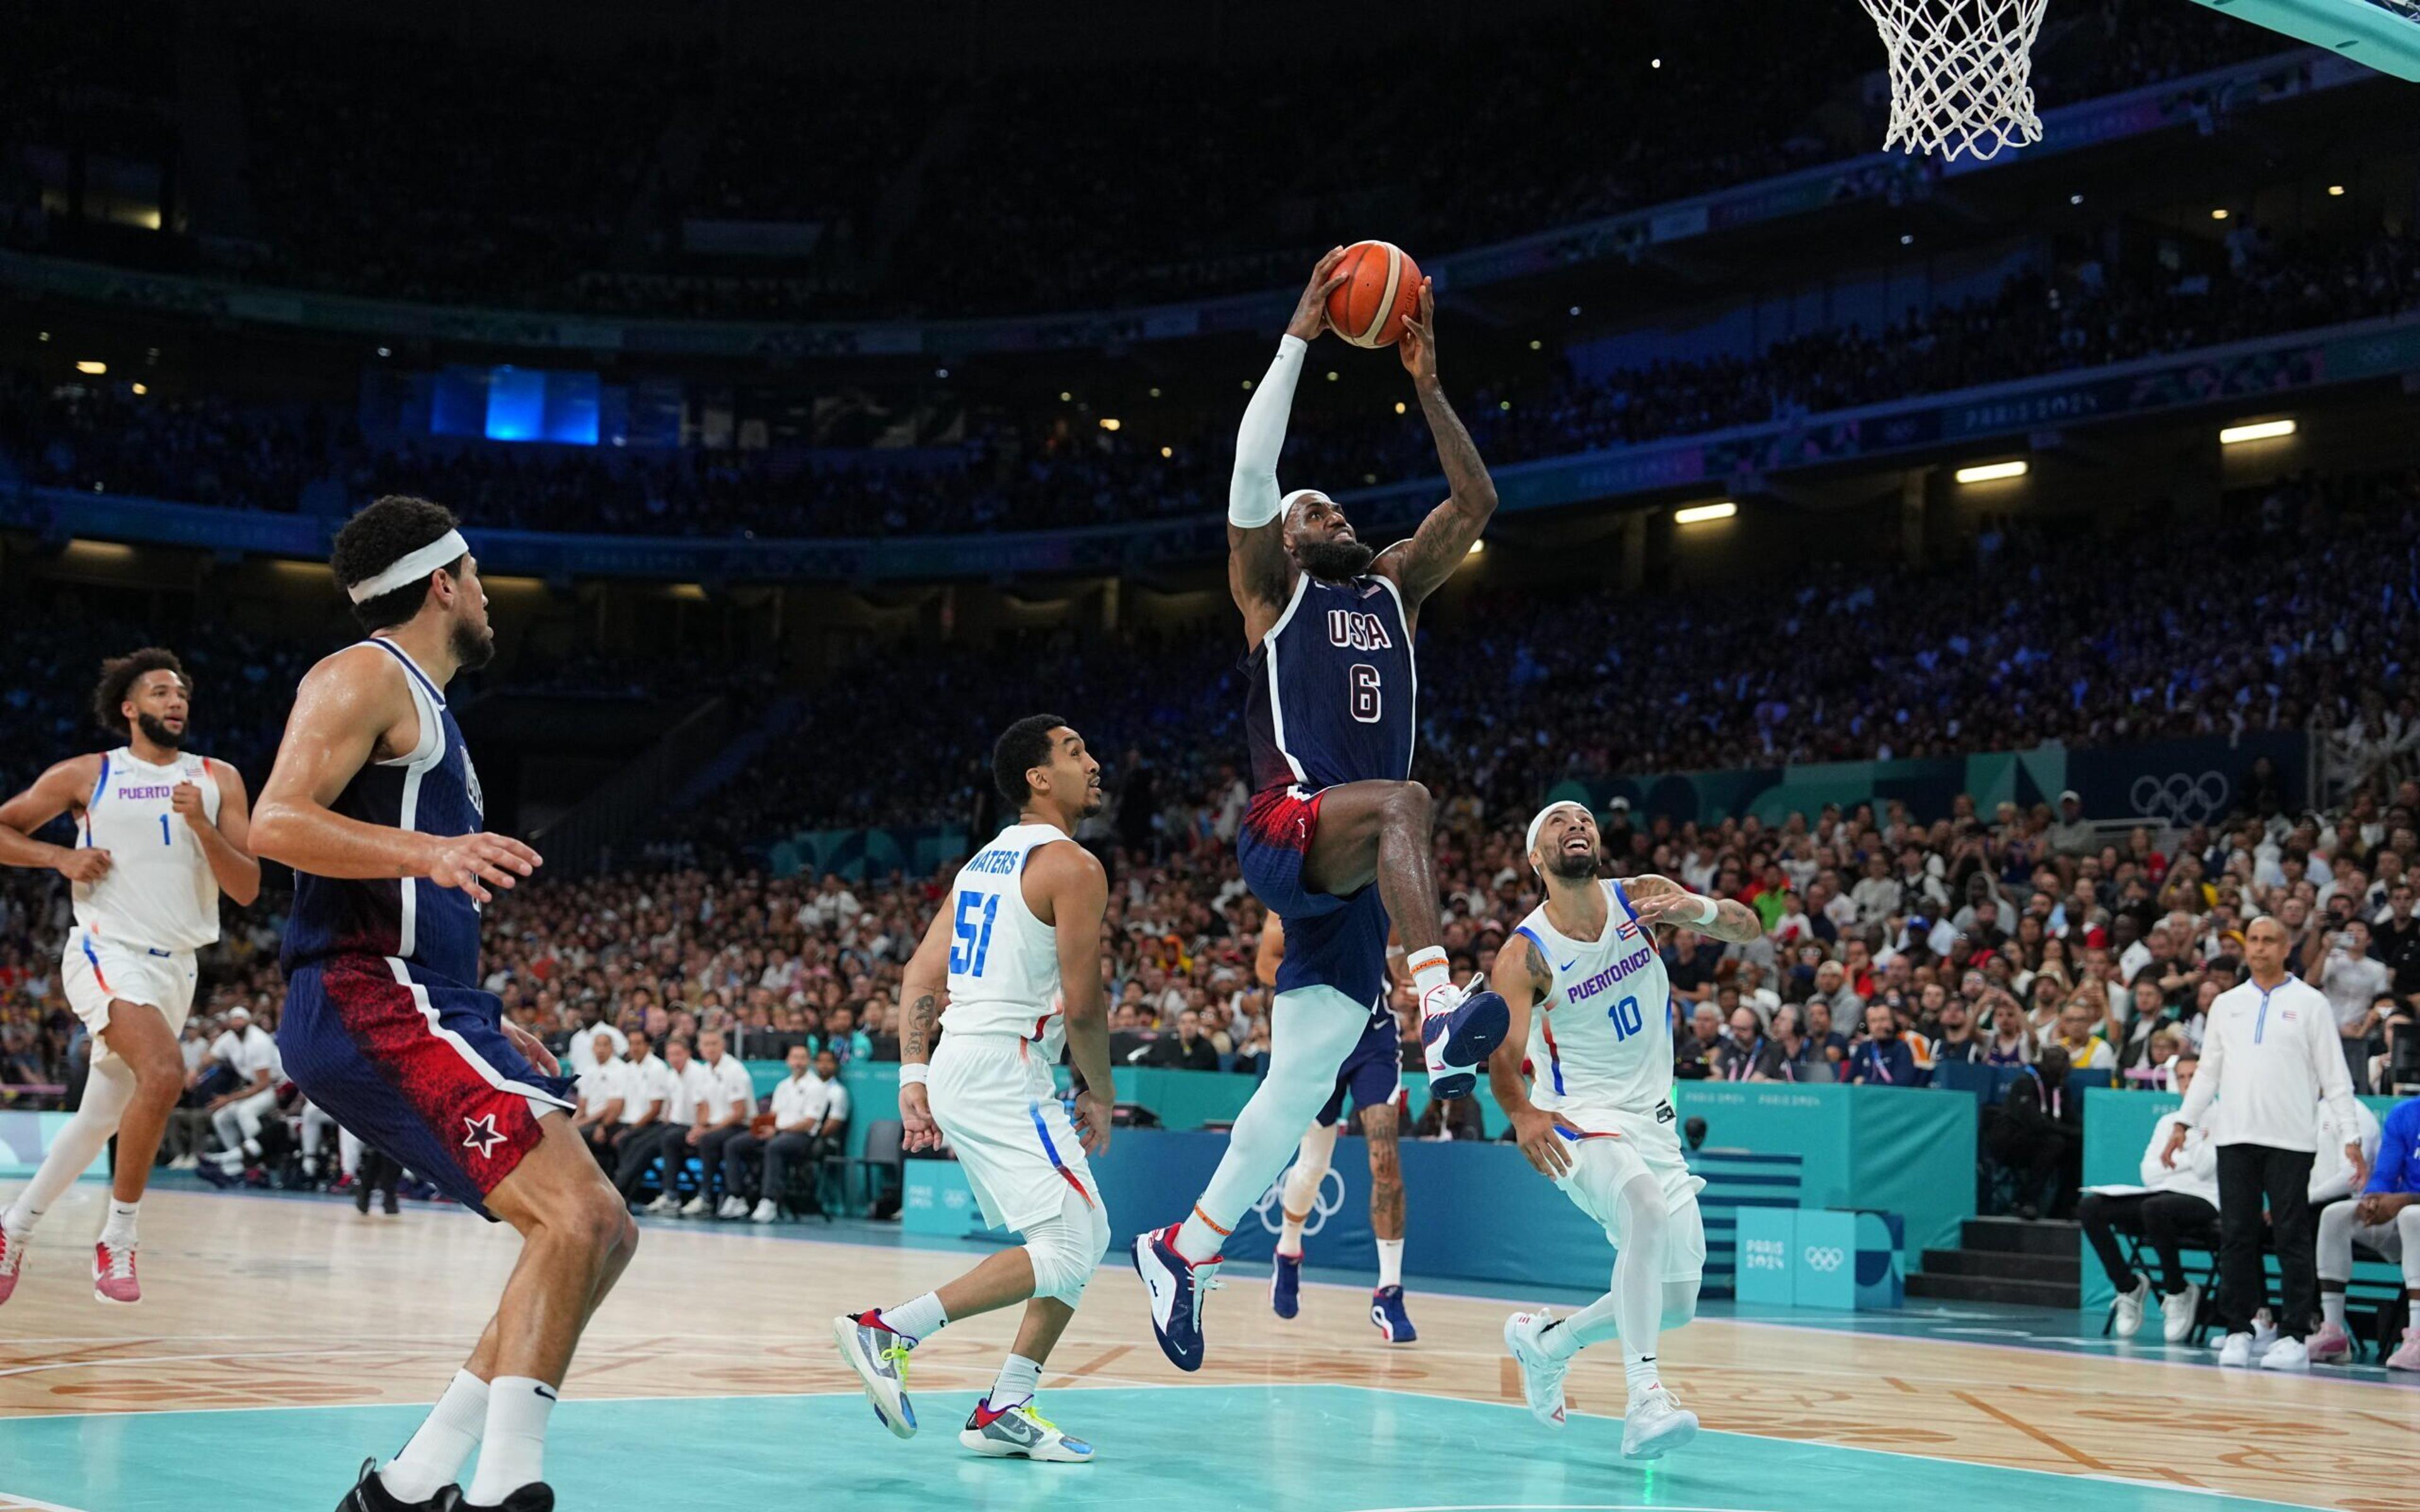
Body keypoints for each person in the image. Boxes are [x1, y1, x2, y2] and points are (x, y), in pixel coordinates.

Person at [1132, 251, 1510, 1373]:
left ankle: (1183, 1247)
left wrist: (1428, 383)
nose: (1331, 513)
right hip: (1291, 828)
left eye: (1338, 506)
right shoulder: (1271, 590)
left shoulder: (1392, 586)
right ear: (1284, 541)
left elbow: (1478, 502)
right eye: (1314, 509)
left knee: (1297, 1082)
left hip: (1349, 880)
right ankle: (1439, 1002)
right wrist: (1301, 332)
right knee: (1407, 800)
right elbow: (1254, 475)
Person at [250, 496, 637, 1512]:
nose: (489, 597)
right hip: (366, 992)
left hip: (424, 996)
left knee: (603, 1233)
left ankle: (413, 1485)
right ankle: (512, 1489)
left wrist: (478, 1005)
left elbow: (408, 888)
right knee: (576, 1215)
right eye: (479, 577)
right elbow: (275, 821)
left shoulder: (427, 706)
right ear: (442, 583)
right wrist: (433, 852)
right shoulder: (364, 672)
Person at [836, 715, 1115, 1462]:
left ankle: (1006, 1407)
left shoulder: (985, 862)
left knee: (1085, 1237)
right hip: (1003, 1067)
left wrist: (914, 1074)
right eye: (1075, 751)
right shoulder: (1073, 866)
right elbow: (1086, 1007)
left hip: (971, 1062)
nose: (1093, 763)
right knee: (1064, 1246)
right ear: (1037, 777)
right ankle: (890, 1329)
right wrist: (1102, 1091)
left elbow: (919, 974)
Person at [1489, 801, 1761, 1459]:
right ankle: (1644, 1400)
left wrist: (1692, 908)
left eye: (1583, 820)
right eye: (1557, 823)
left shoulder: (1640, 902)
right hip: (1580, 1119)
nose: (1575, 826)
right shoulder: (1525, 954)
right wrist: (1523, 1114)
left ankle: (1548, 1344)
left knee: (1676, 1303)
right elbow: (1501, 1054)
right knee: (1640, 1205)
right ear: (1536, 859)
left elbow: (1746, 928)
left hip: (1653, 1123)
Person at [0, 648, 260, 1306]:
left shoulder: (218, 778)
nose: (176, 701)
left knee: (97, 1121)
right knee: (166, 1074)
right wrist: (58, 855)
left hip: (178, 968)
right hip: (104, 949)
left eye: (182, 694)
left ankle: (12, 1230)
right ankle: (118, 1238)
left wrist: (202, 825)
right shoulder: (88, 775)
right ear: (129, 708)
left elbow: (249, 887)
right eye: (160, 692)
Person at [2162, 916, 2366, 1372]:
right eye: (2252, 940)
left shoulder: (2311, 1004)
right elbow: (2208, 1072)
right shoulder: (2227, 1005)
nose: (2259, 948)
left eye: (2268, 940)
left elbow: (2336, 1077)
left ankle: (2295, 1335)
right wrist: (2183, 1124)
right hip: (2234, 1136)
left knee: (2292, 1236)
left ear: (2286, 946)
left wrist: (2351, 1136)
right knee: (2236, 1235)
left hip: (2291, 1140)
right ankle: (2239, 1329)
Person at [1258, 916, 1417, 1341]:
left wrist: (1404, 980)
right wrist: (1326, 973)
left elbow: (1398, 956)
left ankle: (1389, 1292)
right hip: (1317, 1039)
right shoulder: (1291, 900)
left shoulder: (1381, 897)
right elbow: (1264, 963)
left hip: (1374, 1039)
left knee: (1385, 1160)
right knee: (1313, 1163)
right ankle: (1288, 1251)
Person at [2076, 1053, 2218, 1342]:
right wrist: (2187, 1152)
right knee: (2091, 1206)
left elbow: (2207, 1169)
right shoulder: (2167, 1121)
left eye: (2194, 1077)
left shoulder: (2223, 1116)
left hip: (2204, 1198)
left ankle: (2178, 1291)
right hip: (2161, 1194)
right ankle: (2128, 1286)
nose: (2188, 1084)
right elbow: (2149, 1173)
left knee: (2156, 1209)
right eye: (2182, 1077)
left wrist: (2186, 1135)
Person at [2310, 1094, 2420, 1369]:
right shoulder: (2406, 1112)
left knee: (2411, 1215)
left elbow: (2406, 1205)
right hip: (2403, 1218)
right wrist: (2373, 1198)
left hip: (2411, 1213)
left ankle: (2417, 1337)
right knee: (2335, 1215)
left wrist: (2406, 1200)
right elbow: (2383, 1174)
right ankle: (2333, 1333)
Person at [674, 1029, 755, 1217]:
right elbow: (702, 1108)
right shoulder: (704, 1072)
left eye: (714, 1044)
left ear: (723, 1045)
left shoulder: (735, 1070)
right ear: (700, 1048)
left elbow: (738, 1112)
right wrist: (698, 1128)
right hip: (715, 1127)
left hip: (740, 1126)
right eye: (706, 1044)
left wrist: (707, 1131)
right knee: (672, 1138)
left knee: (709, 1140)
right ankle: (671, 1195)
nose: (710, 1048)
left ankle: (710, 1196)